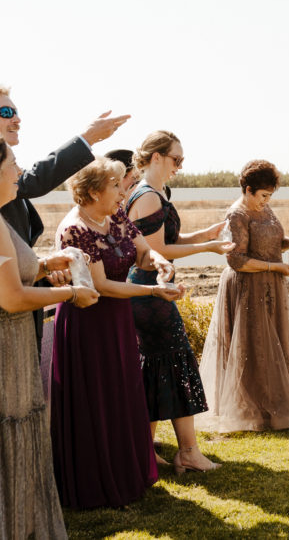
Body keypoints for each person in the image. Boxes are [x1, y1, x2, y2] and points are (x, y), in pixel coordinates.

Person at [0, 129, 98, 538]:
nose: (20, 171)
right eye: (12, 164)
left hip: (4, 347)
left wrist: (44, 265)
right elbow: (9, 298)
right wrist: (73, 293)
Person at [50, 156, 182, 509]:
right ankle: (95, 481)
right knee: (96, 397)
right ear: (93, 191)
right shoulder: (75, 228)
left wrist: (158, 263)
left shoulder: (116, 215)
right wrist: (154, 291)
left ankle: (128, 473)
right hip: (88, 323)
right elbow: (102, 286)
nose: (122, 191)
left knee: (122, 393)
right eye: (115, 185)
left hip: (119, 321)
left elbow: (140, 252)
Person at [0, 85, 128, 355]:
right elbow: (35, 180)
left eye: (17, 112)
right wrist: (87, 138)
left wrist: (42, 269)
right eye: (6, 112)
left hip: (14, 327)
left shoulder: (0, 185)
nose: (16, 119)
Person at [126, 131, 232, 472]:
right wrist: (206, 249)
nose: (180, 166)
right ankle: (187, 451)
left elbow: (168, 239)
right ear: (156, 157)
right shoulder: (148, 197)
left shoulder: (152, 194)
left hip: (150, 288)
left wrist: (204, 235)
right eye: (176, 159)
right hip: (149, 289)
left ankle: (147, 451)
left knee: (157, 366)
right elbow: (157, 251)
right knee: (174, 361)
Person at [197, 160, 289, 432]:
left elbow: (270, 240)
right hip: (247, 288)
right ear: (248, 190)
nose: (266, 201)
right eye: (263, 195)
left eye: (270, 196)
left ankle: (273, 402)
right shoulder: (237, 215)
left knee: (271, 345)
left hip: (270, 285)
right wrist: (276, 267)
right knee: (253, 346)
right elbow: (237, 260)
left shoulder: (263, 208)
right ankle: (252, 407)